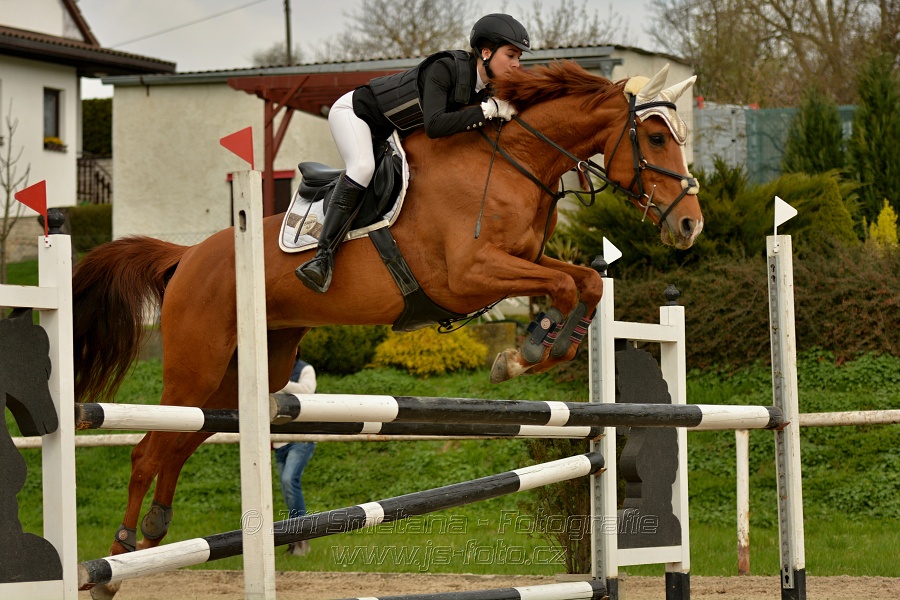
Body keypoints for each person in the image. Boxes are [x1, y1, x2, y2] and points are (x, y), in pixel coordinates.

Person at [295, 13, 532, 293]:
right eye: (511, 54)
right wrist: (489, 110)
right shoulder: (445, 68)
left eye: (519, 57)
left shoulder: (484, 90)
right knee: (362, 168)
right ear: (486, 51)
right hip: (356, 114)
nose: (517, 64)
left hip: (388, 133)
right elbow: (434, 125)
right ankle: (321, 259)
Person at [274, 355, 317, 556]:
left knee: (289, 481)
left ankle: (302, 538)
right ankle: (295, 540)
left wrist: (280, 383)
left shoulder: (305, 370)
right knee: (287, 489)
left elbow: (308, 391)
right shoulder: (271, 370)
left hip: (301, 438)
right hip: (279, 441)